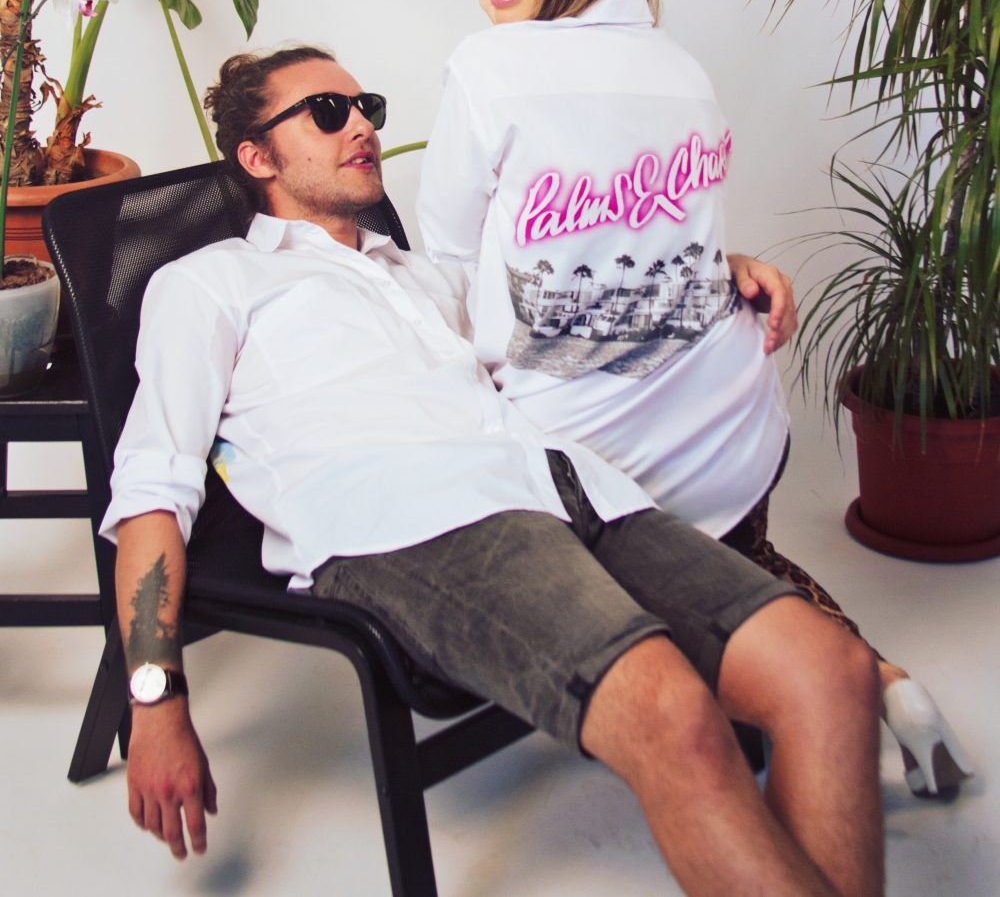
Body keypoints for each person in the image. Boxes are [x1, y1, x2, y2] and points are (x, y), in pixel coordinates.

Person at [102, 43, 884, 897]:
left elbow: (576, 311)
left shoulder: (427, 278)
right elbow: (151, 493)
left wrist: (717, 272)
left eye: (365, 106)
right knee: (674, 717)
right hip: (419, 526)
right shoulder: (208, 283)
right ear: (257, 157)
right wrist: (156, 701)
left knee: (832, 676)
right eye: (327, 113)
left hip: (572, 490)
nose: (360, 124)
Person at [415, 0, 973, 800]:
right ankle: (880, 685)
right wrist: (735, 266)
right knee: (742, 569)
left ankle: (822, 714)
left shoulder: (488, 66)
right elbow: (672, 243)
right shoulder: (680, 68)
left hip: (593, 459)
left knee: (679, 599)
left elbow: (451, 260)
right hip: (729, 422)